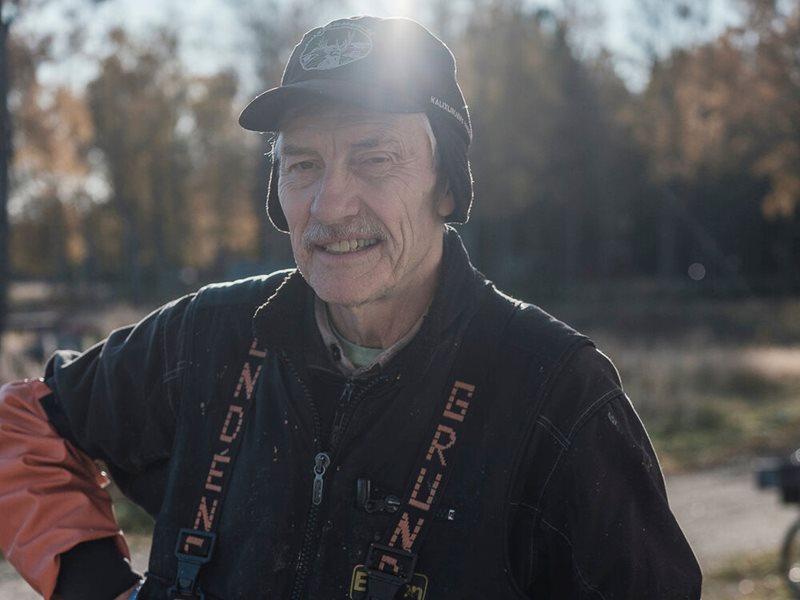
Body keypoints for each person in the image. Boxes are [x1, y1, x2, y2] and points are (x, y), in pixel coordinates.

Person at [0, 15, 702, 600]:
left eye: (373, 158)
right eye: (303, 164)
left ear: (447, 187)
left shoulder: (555, 392)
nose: (331, 205)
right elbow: (21, 425)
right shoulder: (208, 337)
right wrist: (96, 586)